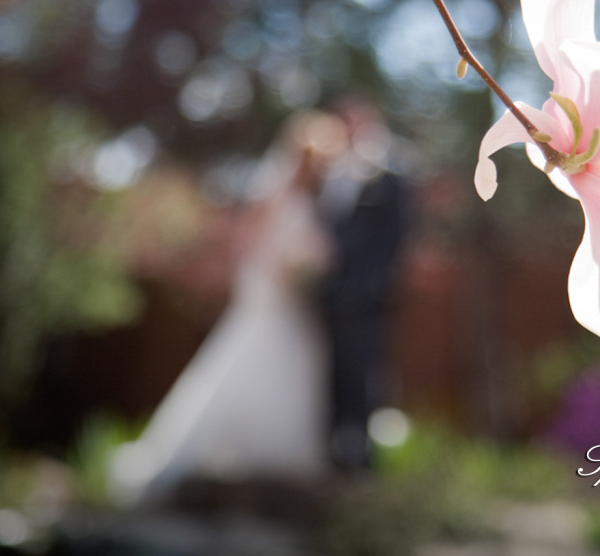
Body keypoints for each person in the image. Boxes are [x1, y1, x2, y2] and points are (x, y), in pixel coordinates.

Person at [108, 111, 347, 506]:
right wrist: (288, 267)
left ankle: (276, 461)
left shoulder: (312, 199)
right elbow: (251, 243)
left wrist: (309, 267)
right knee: (257, 356)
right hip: (269, 293)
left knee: (294, 361)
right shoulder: (275, 192)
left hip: (292, 298)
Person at [316, 97, 408, 471]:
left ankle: (361, 455)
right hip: (327, 297)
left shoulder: (388, 175)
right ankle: (334, 452)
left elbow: (397, 235)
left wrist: (374, 284)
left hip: (366, 299)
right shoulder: (327, 174)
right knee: (332, 375)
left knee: (363, 373)